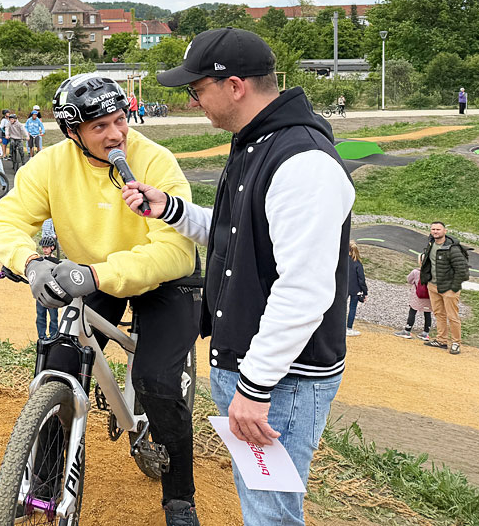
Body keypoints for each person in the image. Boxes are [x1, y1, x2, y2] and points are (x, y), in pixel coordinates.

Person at [120, 27, 354, 526]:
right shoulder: (256, 143)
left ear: (234, 86)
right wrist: (171, 209)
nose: (192, 101)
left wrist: (255, 386)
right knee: (260, 500)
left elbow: (305, 290)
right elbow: (237, 235)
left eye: (196, 88)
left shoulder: (302, 162)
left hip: (283, 379)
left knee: (270, 512)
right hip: (258, 370)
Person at [0, 74, 200, 526]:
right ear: (71, 131)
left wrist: (96, 272)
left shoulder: (154, 160)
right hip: (92, 278)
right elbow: (6, 219)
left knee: (158, 382)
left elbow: (176, 250)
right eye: (99, 126)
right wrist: (31, 263)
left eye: (120, 120)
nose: (116, 133)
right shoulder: (51, 164)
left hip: (162, 280)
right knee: (56, 365)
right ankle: (41, 483)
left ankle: (180, 498)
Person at [419, 221, 470, 354]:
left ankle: (456, 343)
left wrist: (454, 287)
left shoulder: (453, 248)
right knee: (439, 314)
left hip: (448, 288)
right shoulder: (431, 243)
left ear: (445, 231)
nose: (435, 231)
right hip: (433, 286)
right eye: (433, 229)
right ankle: (441, 340)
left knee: (452, 316)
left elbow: (463, 271)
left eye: (438, 229)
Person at [394, 267, 432, 340]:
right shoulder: (434, 272)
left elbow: (409, 280)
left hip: (417, 296)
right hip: (429, 297)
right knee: (427, 313)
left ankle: (407, 330)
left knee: (412, 311)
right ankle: (426, 333)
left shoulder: (416, 272)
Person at [34, 236, 59, 340]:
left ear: (52, 247)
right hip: (40, 292)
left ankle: (53, 337)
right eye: (43, 248)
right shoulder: (40, 260)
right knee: (40, 316)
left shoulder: (56, 262)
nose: (44, 250)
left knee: (53, 317)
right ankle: (42, 336)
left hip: (52, 294)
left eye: (46, 247)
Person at [345, 241, 367, 336]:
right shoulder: (358, 263)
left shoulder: (343, 261)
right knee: (352, 308)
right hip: (355, 289)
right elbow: (361, 279)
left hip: (344, 288)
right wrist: (365, 292)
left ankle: (338, 326)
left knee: (341, 307)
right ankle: (349, 328)